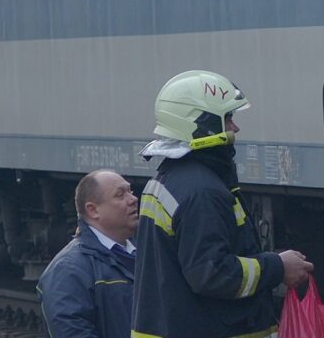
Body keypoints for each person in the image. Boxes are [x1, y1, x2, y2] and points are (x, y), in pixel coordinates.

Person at [131, 70, 314, 338]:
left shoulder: (172, 180)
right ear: (202, 124)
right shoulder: (202, 192)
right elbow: (212, 273)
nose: (235, 128)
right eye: (228, 119)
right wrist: (278, 266)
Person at [37, 170, 139, 338]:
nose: (133, 199)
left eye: (130, 191)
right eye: (120, 195)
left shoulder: (146, 255)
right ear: (92, 210)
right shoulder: (67, 270)